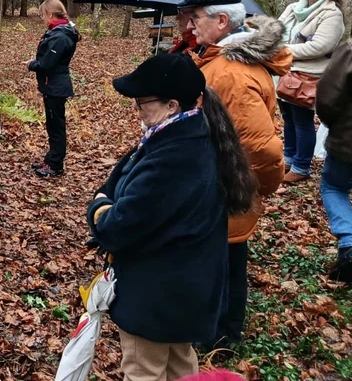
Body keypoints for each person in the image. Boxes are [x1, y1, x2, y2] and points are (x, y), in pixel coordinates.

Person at [88, 53, 256, 381]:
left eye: (142, 103)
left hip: (157, 295)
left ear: (172, 105)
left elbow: (115, 227)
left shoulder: (172, 158)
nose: (136, 110)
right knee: (181, 365)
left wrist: (98, 207)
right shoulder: (193, 135)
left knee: (144, 370)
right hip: (186, 291)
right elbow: (123, 178)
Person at [181, 0, 291, 351]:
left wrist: (246, 188)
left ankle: (219, 339)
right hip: (217, 186)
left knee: (224, 266)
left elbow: (264, 150)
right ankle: (217, 332)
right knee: (224, 261)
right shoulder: (219, 61)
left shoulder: (231, 73)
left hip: (223, 191)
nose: (191, 25)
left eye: (196, 18)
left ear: (222, 21)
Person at [316, 0, 352, 286]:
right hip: (351, 139)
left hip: (350, 143)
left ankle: (349, 243)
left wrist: (335, 125)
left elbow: (327, 99)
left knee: (334, 188)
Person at [277, 0, 345, 183]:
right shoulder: (293, 9)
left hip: (308, 75)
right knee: (287, 116)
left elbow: (320, 47)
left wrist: (284, 51)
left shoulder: (332, 14)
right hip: (284, 71)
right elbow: (276, 30)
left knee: (302, 119)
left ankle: (301, 166)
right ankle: (288, 158)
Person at [24, 0, 79, 178]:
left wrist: (32, 64)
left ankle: (55, 164)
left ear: (49, 14)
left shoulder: (61, 36)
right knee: (53, 125)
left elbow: (47, 64)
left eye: (42, 15)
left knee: (56, 127)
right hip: (52, 86)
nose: (42, 19)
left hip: (56, 87)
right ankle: (51, 159)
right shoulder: (57, 32)